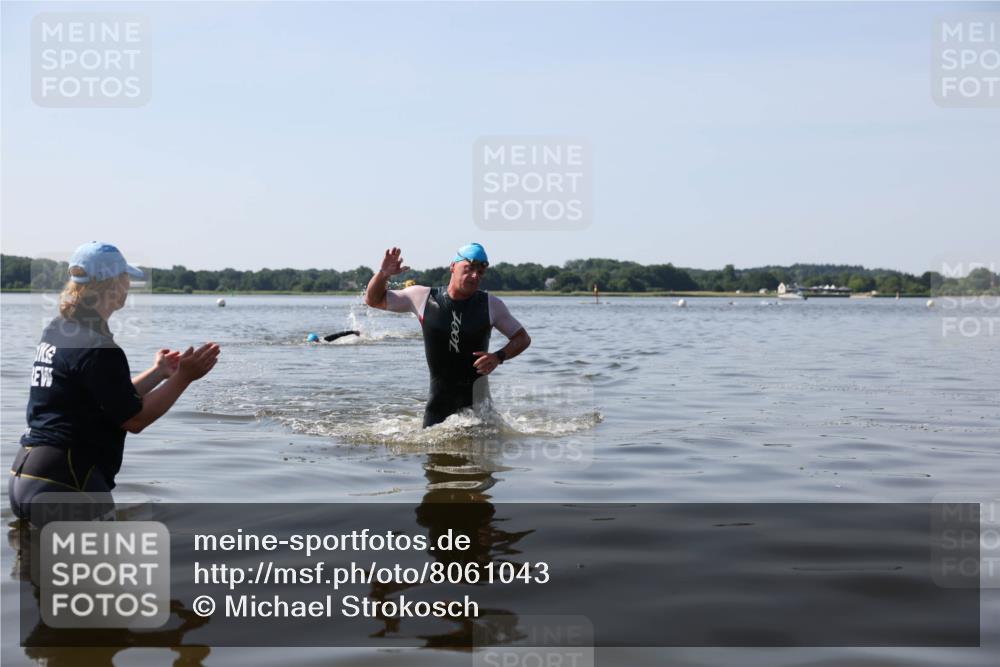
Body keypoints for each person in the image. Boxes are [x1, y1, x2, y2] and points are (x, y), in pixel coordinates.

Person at [9, 242, 220, 521]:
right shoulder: (98, 347)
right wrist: (184, 377)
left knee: (34, 552)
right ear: (113, 285)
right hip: (68, 482)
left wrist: (158, 373)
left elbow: (106, 400)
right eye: (125, 278)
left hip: (25, 477)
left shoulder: (59, 329)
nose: (128, 285)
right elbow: (135, 419)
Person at [364, 243, 531, 427]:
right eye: (469, 268)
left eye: (480, 272)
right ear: (453, 266)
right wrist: (384, 274)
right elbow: (373, 300)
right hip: (437, 410)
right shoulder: (422, 297)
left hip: (480, 412)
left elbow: (522, 338)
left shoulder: (491, 305)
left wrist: (498, 356)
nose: (475, 276)